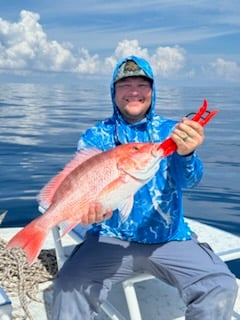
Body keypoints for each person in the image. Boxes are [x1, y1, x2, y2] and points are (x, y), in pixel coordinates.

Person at [51, 56, 237, 319]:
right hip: (108, 237)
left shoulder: (172, 131)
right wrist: (88, 212)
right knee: (68, 288)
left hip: (169, 238)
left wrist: (187, 154)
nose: (134, 92)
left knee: (220, 284)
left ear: (152, 91)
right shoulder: (95, 136)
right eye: (125, 84)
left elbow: (190, 181)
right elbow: (83, 189)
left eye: (142, 84)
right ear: (113, 92)